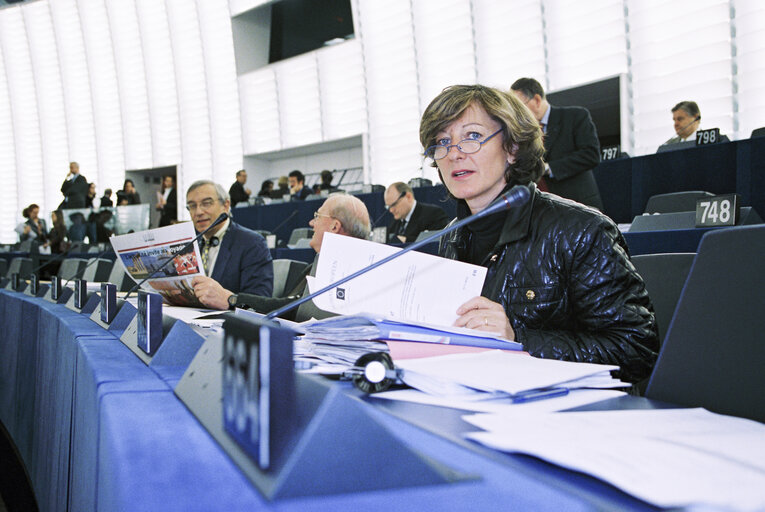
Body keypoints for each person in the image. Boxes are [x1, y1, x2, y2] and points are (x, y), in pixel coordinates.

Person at [420, 84, 658, 384]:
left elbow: (636, 350)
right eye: (442, 142)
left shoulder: (581, 230)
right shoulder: (450, 237)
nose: (453, 153)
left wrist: (518, 340)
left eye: (473, 136)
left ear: (512, 148)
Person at [232, 193, 371, 321]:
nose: (311, 223)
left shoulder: (346, 274)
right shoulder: (317, 266)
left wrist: (232, 299)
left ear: (335, 226)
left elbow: (291, 309)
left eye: (318, 216)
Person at [510, 78, 603, 210]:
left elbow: (591, 155)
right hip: (546, 209)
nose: (517, 114)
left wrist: (548, 168)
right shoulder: (523, 133)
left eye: (520, 107)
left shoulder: (575, 116)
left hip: (579, 204)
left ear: (536, 100)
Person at [187, 180, 273, 310]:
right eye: (192, 206)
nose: (198, 212)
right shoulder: (189, 245)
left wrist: (229, 300)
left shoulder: (252, 243)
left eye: (206, 203)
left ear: (226, 205)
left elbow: (259, 301)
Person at [384, 182, 449, 243]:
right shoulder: (395, 222)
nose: (391, 210)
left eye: (394, 204)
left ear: (408, 197)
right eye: (388, 207)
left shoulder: (433, 214)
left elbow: (439, 241)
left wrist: (406, 240)